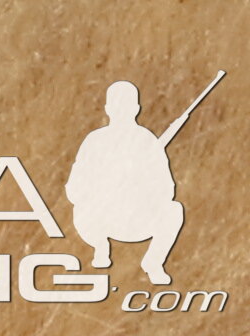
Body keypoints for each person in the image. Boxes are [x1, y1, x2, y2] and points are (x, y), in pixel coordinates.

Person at [69, 81, 186, 286]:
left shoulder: (147, 141)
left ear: (136, 109)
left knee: (174, 210)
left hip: (138, 220)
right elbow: (75, 188)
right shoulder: (94, 141)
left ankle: (153, 262)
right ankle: (100, 247)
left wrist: (139, 188)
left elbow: (167, 189)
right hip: (101, 220)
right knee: (80, 210)